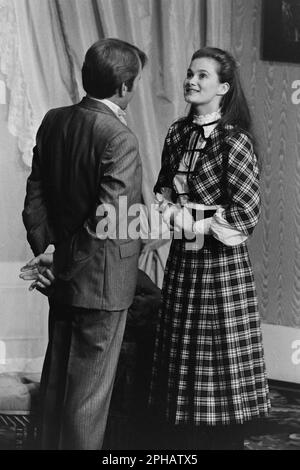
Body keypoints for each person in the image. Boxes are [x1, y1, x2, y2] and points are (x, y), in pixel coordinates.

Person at [20, 38, 147, 450]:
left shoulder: (54, 120)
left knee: (57, 391)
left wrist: (48, 250)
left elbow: (35, 191)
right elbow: (109, 219)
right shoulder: (120, 137)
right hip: (101, 285)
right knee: (87, 402)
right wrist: (62, 261)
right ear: (125, 87)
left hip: (63, 277)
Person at [148, 47, 270, 450]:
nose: (192, 81)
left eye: (202, 75)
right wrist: (170, 212)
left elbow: (245, 213)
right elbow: (163, 189)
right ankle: (183, 438)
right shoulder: (177, 133)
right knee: (182, 346)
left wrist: (195, 222)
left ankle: (219, 439)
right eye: (189, 73)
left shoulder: (234, 141)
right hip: (184, 257)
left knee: (216, 351)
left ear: (223, 87)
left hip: (219, 264)